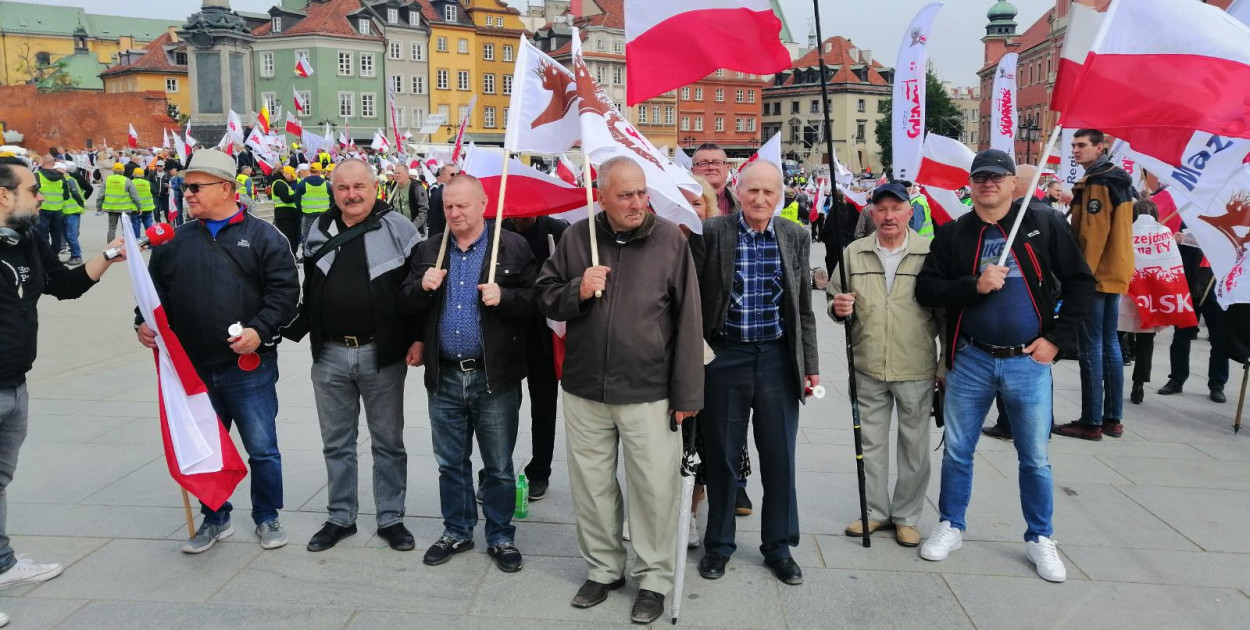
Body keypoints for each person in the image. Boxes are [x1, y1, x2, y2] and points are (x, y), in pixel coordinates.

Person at [536, 157, 703, 625]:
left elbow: (689, 319)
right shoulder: (576, 238)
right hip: (586, 387)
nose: (636, 202)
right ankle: (604, 568)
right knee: (592, 487)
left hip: (649, 391)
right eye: (625, 194)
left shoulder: (670, 239)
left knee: (654, 490)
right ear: (601, 195)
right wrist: (578, 289)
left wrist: (688, 394)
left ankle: (653, 578)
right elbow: (544, 294)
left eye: (641, 193)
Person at [915, 149, 1094, 583]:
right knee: (958, 450)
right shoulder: (956, 232)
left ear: (1014, 184)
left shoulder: (1043, 224)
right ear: (970, 185)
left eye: (997, 177)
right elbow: (928, 289)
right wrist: (973, 285)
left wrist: (1055, 340)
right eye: (980, 178)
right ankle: (952, 523)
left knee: (1033, 456)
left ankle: (1040, 537)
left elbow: (1081, 284)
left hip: (1027, 361)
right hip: (972, 358)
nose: (988, 183)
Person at [135, 149, 300, 555]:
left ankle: (267, 515)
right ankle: (215, 516)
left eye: (194, 187)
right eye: (184, 186)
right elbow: (152, 296)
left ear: (225, 188)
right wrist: (141, 322)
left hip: (249, 367)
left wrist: (259, 332)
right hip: (191, 369)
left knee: (262, 447)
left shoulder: (264, 236)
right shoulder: (173, 239)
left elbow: (286, 294)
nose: (186, 193)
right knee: (206, 447)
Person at [0, 156, 128, 627]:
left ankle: (2, 564)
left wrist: (110, 255)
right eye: (34, 190)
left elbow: (64, 285)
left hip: (15, 382)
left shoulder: (29, 239)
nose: (42, 197)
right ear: (3, 196)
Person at [689, 159, 818, 587]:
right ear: (737, 191)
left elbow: (803, 308)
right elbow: (694, 298)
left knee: (780, 456)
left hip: (778, 360)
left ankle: (779, 547)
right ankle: (719, 545)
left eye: (769, 192)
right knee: (723, 457)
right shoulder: (714, 233)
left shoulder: (796, 235)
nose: (760, 199)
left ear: (780, 195)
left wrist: (810, 367)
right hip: (725, 358)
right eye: (753, 191)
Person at [401, 174, 537, 574]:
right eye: (448, 207)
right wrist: (422, 287)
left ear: (483, 204)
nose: (455, 213)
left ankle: (499, 535)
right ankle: (457, 529)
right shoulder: (429, 248)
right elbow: (405, 302)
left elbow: (536, 300)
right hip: (443, 375)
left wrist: (506, 297)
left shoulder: (510, 247)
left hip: (493, 377)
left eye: (463, 205)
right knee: (450, 461)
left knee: (498, 464)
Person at [283, 159, 420, 553]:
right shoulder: (319, 228)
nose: (351, 195)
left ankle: (391, 517)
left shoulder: (399, 227)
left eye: (359, 186)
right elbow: (309, 286)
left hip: (382, 354)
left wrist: (417, 339)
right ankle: (340, 516)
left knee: (388, 441)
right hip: (329, 354)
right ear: (333, 190)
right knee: (336, 442)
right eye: (342, 188)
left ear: (374, 187)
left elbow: (416, 291)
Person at [828, 182, 942, 548]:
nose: (889, 216)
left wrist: (943, 369)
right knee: (870, 443)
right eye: (882, 209)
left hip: (916, 365)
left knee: (915, 447)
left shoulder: (930, 253)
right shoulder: (853, 253)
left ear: (911, 212)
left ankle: (907, 516)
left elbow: (944, 314)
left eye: (897, 208)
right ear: (871, 213)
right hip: (868, 364)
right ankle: (875, 511)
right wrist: (838, 308)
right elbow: (835, 299)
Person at [1053, 129, 1135, 441]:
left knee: (1092, 346)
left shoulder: (1098, 181)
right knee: (1110, 343)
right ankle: (1113, 418)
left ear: (1100, 147)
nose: (1075, 150)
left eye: (1081, 145)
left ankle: (1091, 421)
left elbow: (1093, 233)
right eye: (1073, 145)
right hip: (1114, 270)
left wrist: (1080, 277)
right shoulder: (1117, 178)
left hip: (1096, 274)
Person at [502, 214, 568, 503]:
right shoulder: (497, 231)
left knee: (543, 408)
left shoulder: (556, 230)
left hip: (544, 333)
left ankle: (539, 471)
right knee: (501, 410)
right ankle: (497, 470)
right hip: (507, 333)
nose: (521, 216)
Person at [1120, 198, 1169, 406]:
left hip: (1125, 292)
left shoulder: (1125, 231)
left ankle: (1108, 378)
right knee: (1145, 343)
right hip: (1149, 294)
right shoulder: (1164, 233)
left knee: (1114, 337)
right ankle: (1138, 385)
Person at [97, 162, 142, 242]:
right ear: (123, 171)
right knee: (126, 228)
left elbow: (100, 195)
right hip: (125, 209)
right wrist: (139, 207)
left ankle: (110, 246)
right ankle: (127, 244)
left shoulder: (107, 180)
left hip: (111, 208)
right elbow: (134, 196)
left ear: (113, 170)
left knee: (112, 227)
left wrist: (99, 207)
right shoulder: (127, 181)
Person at [691, 143, 739, 215]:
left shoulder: (742, 202)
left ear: (727, 169)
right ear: (693, 170)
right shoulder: (682, 202)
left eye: (717, 162)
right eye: (704, 163)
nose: (711, 168)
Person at [34, 155, 68, 256]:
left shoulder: (37, 175)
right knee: (56, 235)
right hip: (57, 209)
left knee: (43, 235)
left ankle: (45, 256)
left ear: (42, 163)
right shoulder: (61, 177)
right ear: (53, 164)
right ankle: (54, 256)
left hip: (43, 209)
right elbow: (66, 195)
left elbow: (32, 192)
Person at [55, 162, 86, 265]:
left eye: (58, 171)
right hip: (64, 211)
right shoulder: (60, 181)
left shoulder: (70, 180)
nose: (56, 173)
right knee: (66, 235)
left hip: (72, 211)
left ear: (64, 171)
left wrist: (81, 205)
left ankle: (77, 256)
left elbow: (78, 194)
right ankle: (73, 255)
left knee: (71, 235)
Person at [295, 163, 331, 245]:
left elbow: (297, 201)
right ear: (319, 172)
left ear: (310, 171)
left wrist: (301, 212)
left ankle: (307, 256)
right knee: (321, 236)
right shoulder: (326, 184)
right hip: (323, 215)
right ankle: (320, 254)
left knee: (307, 236)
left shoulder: (302, 184)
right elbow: (332, 200)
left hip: (308, 215)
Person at [389, 164, 429, 233]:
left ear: (407, 174)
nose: (396, 175)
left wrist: (413, 227)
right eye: (395, 173)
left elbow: (424, 210)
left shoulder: (416, 187)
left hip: (414, 228)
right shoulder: (394, 186)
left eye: (399, 173)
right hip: (397, 227)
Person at [271, 166, 300, 257]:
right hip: (286, 215)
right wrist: (297, 194)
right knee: (290, 237)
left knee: (290, 236)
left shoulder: (282, 183)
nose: (292, 178)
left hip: (287, 214)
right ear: (286, 173)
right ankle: (290, 256)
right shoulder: (280, 183)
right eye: (291, 176)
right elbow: (286, 198)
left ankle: (290, 255)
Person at [425, 163, 459, 237]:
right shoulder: (444, 195)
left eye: (457, 174)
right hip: (441, 237)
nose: (455, 177)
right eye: (452, 174)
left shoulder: (442, 192)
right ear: (443, 178)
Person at [129, 166, 157, 237]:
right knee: (149, 227)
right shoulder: (148, 183)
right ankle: (151, 242)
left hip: (135, 209)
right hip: (148, 208)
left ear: (133, 175)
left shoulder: (130, 183)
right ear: (143, 175)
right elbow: (155, 192)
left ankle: (137, 243)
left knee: (135, 227)